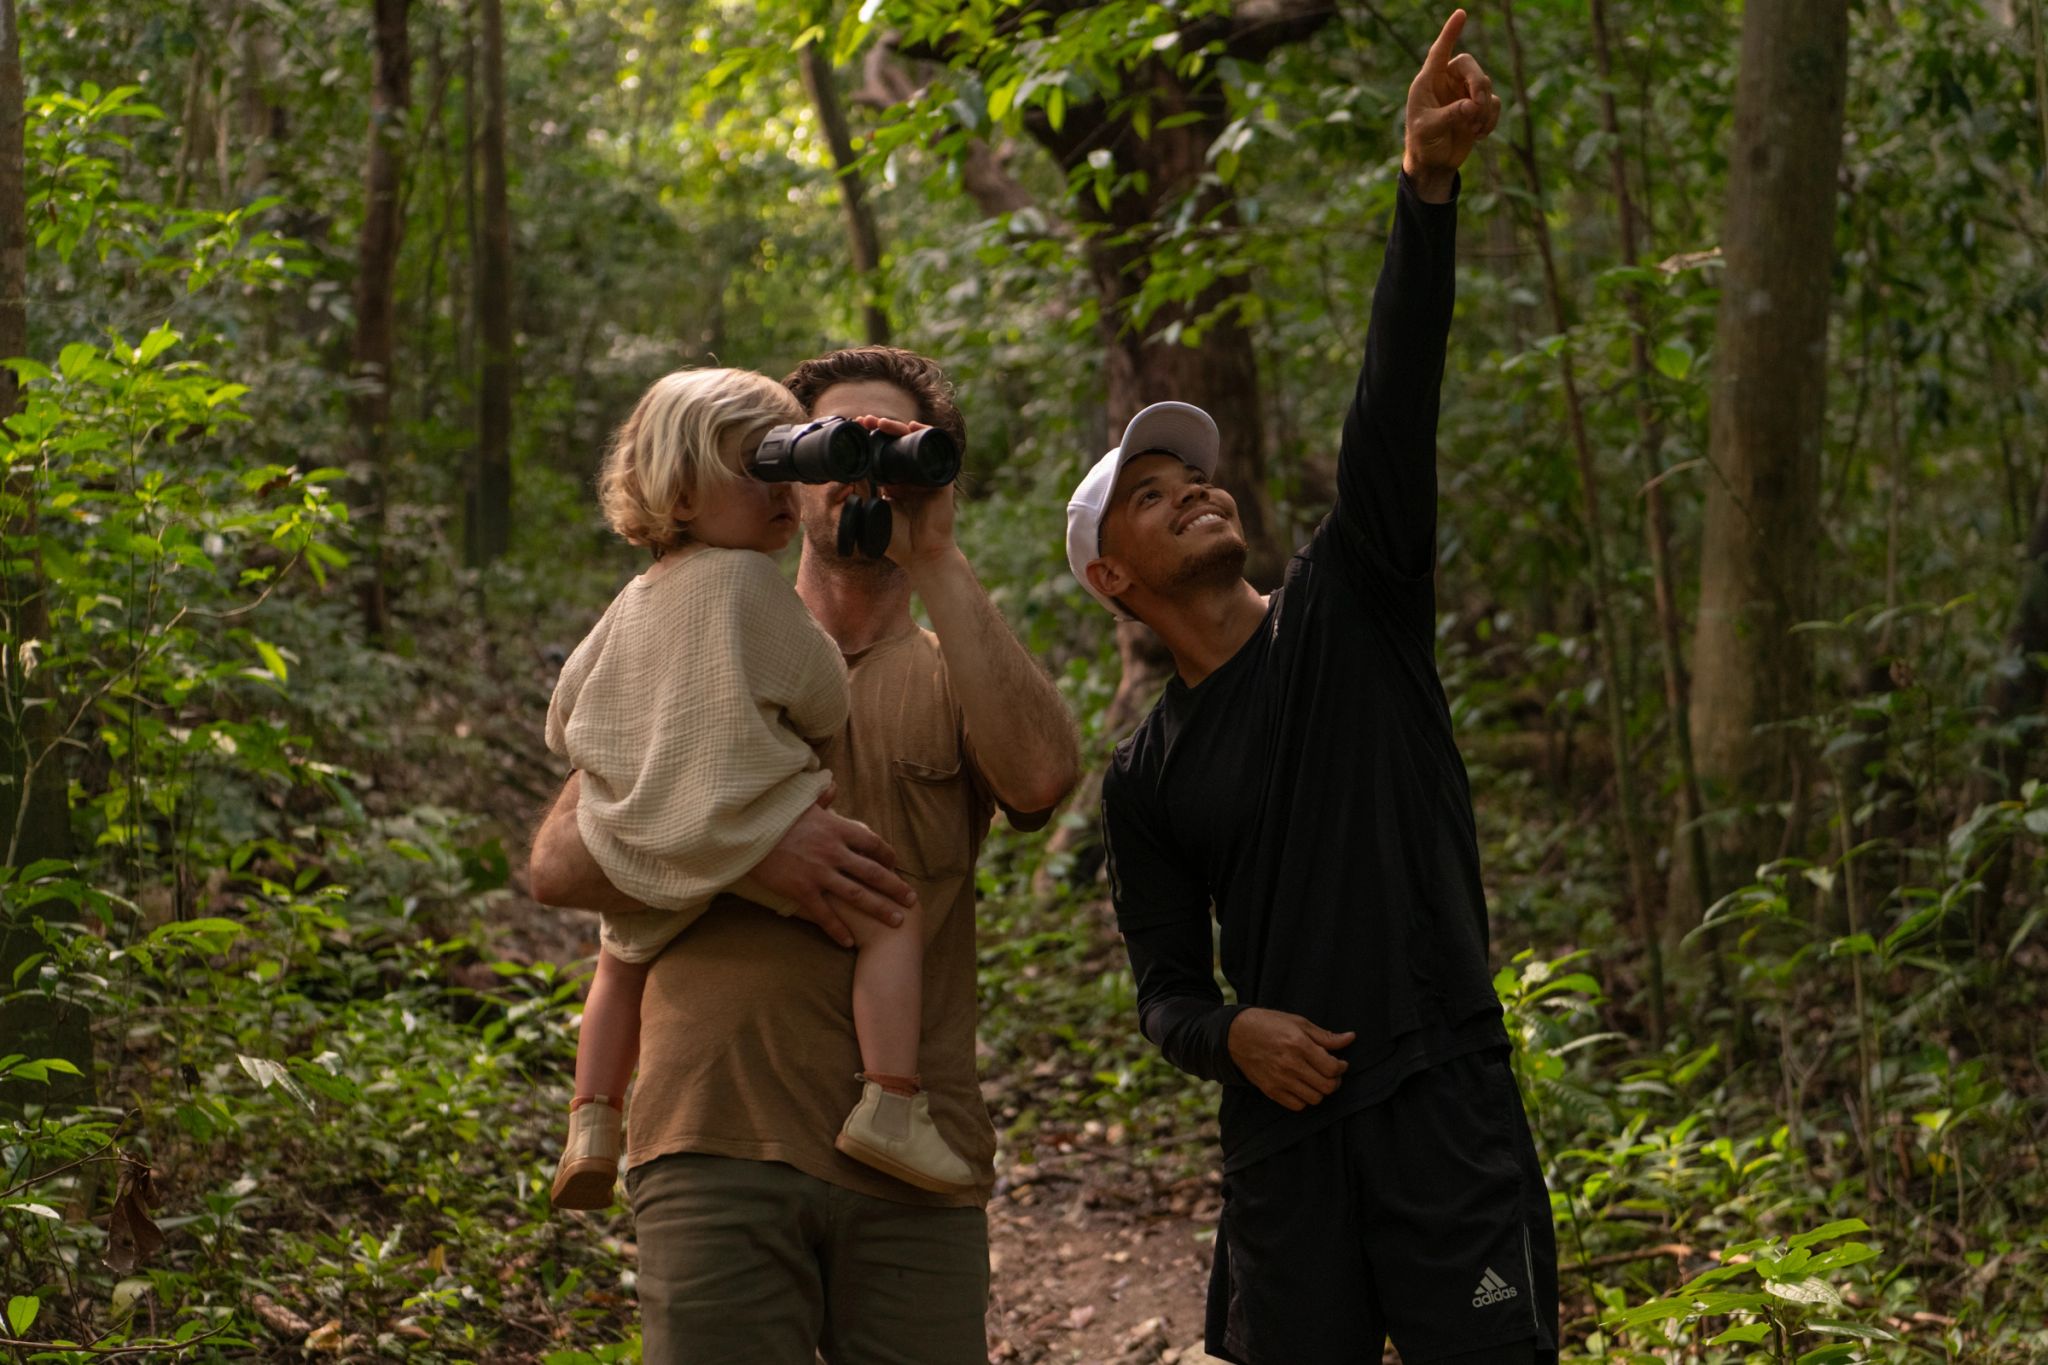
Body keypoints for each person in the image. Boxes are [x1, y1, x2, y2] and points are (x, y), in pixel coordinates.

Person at [1069, 13, 1556, 1365]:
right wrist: (1235, 1032)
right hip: (1287, 1148)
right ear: (1114, 582)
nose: (1196, 493)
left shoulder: (1359, 612)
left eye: (1195, 477)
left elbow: (1394, 396)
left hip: (1446, 1102)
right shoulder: (1148, 774)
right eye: (1153, 500)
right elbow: (1164, 987)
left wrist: (1426, 185)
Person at [529, 346, 1080, 1363]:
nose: (858, 478)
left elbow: (1041, 779)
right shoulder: (686, 645)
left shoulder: (952, 666)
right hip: (713, 1132)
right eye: (830, 447)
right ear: (778, 467)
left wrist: (936, 557)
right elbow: (557, 865)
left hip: (918, 1162)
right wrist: (746, 850)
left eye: (890, 451)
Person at [544, 367, 977, 1211]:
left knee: (619, 956)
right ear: (680, 491)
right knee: (890, 915)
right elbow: (822, 692)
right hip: (754, 816)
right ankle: (891, 1100)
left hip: (651, 837)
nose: (786, 491)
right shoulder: (751, 587)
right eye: (763, 468)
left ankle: (592, 1117)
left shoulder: (631, 601)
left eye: (789, 463)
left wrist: (646, 777)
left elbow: (568, 715)